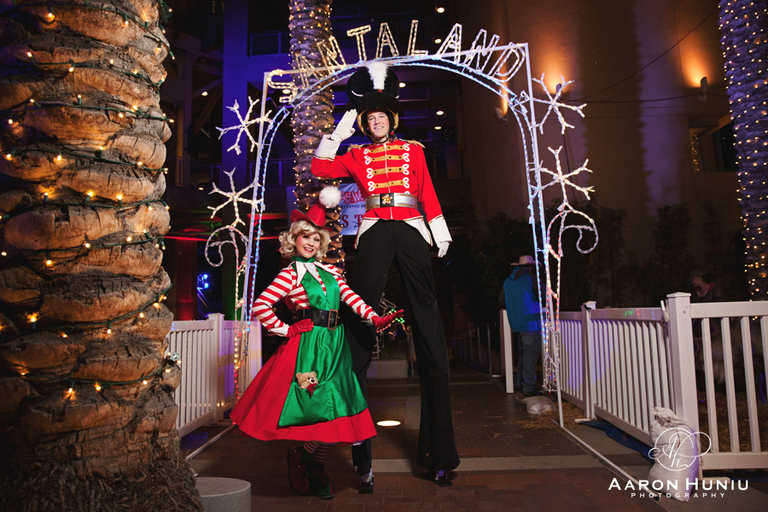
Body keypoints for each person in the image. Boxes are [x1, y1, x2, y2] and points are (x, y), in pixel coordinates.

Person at [311, 62, 459, 491]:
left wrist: (440, 230)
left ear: (391, 121)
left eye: (381, 118)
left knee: (426, 317)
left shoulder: (413, 149)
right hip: (375, 228)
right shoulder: (356, 155)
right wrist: (336, 135)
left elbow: (427, 189)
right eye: (368, 119)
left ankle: (440, 456)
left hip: (412, 226)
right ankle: (361, 456)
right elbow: (321, 170)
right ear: (364, 124)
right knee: (358, 312)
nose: (375, 123)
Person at [230, 187, 402, 500]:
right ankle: (312, 465)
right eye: (304, 237)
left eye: (315, 238)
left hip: (336, 347)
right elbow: (260, 306)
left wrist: (375, 319)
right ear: (294, 240)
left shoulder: (331, 272)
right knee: (316, 410)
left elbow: (351, 300)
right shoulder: (289, 273)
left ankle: (307, 459)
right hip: (309, 347)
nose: (310, 242)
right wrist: (286, 329)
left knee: (337, 410)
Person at [501, 255, 543, 397]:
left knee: (523, 354)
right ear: (530, 267)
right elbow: (544, 296)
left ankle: (519, 382)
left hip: (516, 323)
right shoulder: (531, 279)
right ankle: (528, 387)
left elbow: (501, 299)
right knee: (531, 355)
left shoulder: (508, 281)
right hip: (531, 322)